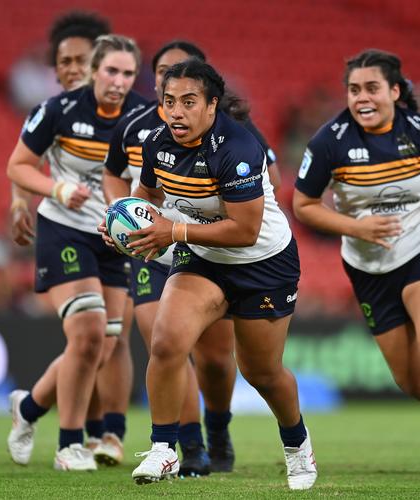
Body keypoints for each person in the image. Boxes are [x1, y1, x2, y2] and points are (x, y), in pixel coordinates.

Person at [99, 59, 317, 490]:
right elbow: (146, 192)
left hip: (263, 263)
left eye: (188, 102)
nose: (175, 112)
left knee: (262, 373)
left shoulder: (238, 147)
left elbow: (244, 230)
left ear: (212, 104)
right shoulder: (158, 142)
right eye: (168, 102)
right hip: (201, 258)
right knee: (166, 341)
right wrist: (125, 221)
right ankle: (164, 448)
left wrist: (172, 230)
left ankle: (297, 445)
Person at [292, 49, 420, 479]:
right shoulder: (330, 141)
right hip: (367, 267)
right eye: (353, 89)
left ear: (395, 91)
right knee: (412, 382)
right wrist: (354, 227)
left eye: (372, 88)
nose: (362, 98)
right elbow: (303, 205)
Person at [6, 33, 146, 471]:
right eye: (111, 71)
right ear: (93, 71)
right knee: (88, 333)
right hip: (64, 231)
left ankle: (28, 409)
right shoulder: (59, 110)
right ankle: (69, 444)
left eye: (127, 73)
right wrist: (58, 187)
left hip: (115, 238)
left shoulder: (144, 116)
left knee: (104, 345)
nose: (119, 81)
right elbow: (18, 166)